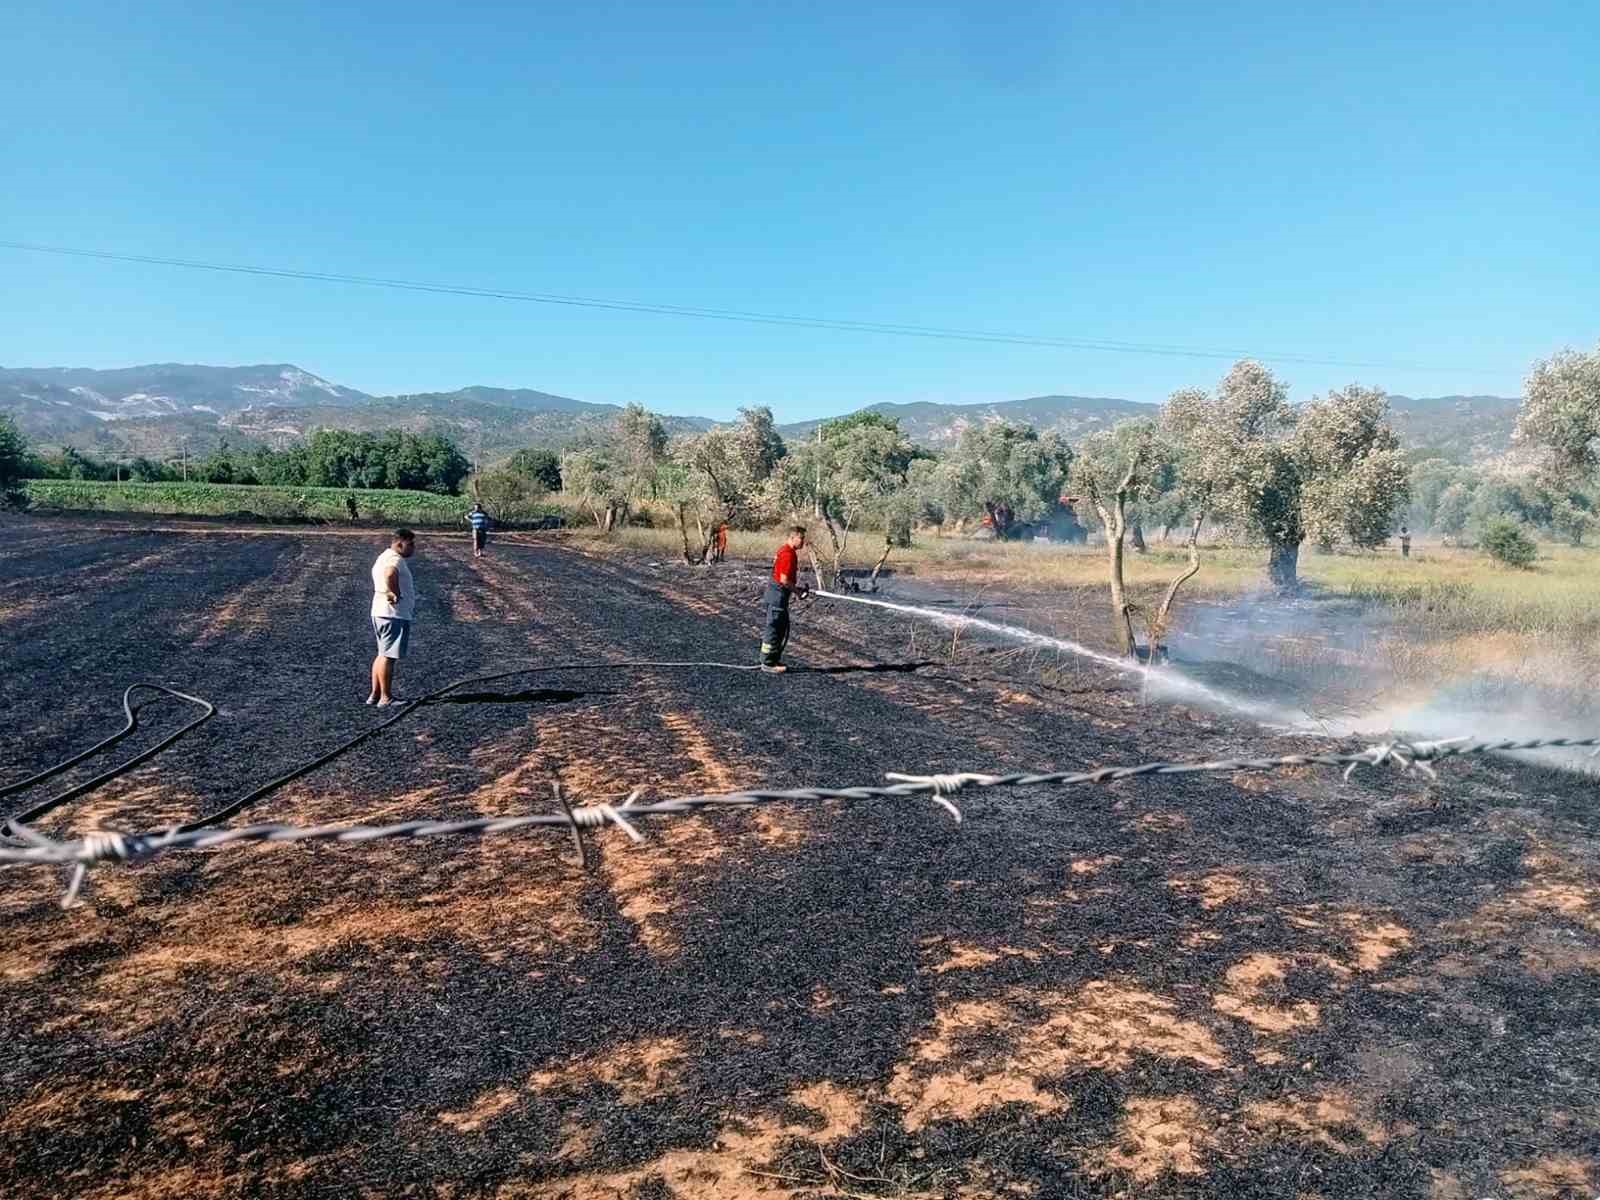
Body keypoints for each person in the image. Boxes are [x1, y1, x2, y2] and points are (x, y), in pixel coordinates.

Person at [368, 529, 417, 706]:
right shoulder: (394, 559)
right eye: (410, 544)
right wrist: (394, 592)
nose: (413, 548)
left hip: (381, 612)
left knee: (382, 654)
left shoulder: (383, 556)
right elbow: (390, 574)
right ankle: (386, 698)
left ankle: (375, 695)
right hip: (393, 614)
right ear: (399, 543)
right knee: (388, 656)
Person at [761, 525, 809, 673]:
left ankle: (772, 659)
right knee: (774, 629)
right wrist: (798, 593)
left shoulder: (784, 550)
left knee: (779, 628)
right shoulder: (788, 554)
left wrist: (797, 589)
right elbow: (784, 580)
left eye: (803, 538)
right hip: (778, 596)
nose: (803, 542)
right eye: (801, 538)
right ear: (792, 537)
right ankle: (768, 663)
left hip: (777, 595)